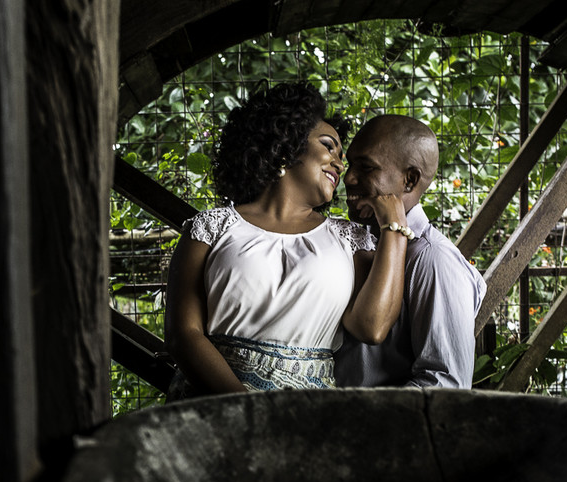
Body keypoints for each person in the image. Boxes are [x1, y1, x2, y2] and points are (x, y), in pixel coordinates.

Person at [164, 82, 409, 397]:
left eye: (341, 154)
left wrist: (395, 230)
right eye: (328, 145)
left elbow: (371, 328)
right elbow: (183, 334)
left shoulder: (349, 239)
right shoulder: (210, 229)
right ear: (285, 144)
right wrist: (246, 406)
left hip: (306, 414)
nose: (340, 163)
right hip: (210, 405)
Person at [334, 114, 487, 389]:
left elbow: (445, 385)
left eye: (366, 168)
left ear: (410, 180)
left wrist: (359, 421)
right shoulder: (362, 241)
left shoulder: (433, 260)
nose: (348, 177)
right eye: (350, 164)